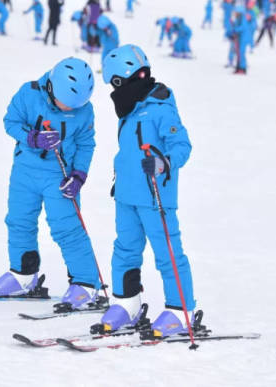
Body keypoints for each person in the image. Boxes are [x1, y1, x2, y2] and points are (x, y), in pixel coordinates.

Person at [98, 44, 196, 335]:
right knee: (125, 250)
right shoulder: (131, 110)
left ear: (124, 79)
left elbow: (183, 146)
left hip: (155, 197)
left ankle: (180, 311)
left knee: (167, 252)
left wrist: (165, 163)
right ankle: (126, 304)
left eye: (115, 84)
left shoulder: (160, 110)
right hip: (127, 195)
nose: (114, 93)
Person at [0, 57, 102, 310]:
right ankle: (23, 275)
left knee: (67, 228)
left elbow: (86, 144)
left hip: (59, 176)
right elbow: (11, 122)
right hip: (25, 171)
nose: (69, 110)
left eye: (76, 105)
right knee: (19, 220)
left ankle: (85, 284)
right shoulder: (28, 94)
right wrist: (32, 138)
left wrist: (79, 176)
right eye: (65, 104)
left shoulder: (84, 110)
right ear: (52, 88)